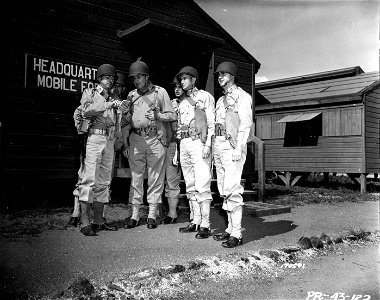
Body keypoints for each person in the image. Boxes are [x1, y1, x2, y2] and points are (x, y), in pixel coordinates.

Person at [67, 71, 128, 229]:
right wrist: (108, 104)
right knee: (89, 180)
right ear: (99, 79)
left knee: (104, 181)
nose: (110, 80)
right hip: (94, 138)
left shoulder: (114, 98)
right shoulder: (91, 93)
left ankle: (99, 221)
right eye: (107, 77)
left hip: (109, 140)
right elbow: (86, 110)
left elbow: (118, 122)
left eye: (112, 78)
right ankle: (85, 222)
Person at [121, 60, 177, 230]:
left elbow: (172, 115)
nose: (136, 80)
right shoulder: (131, 95)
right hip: (136, 139)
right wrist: (124, 139)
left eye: (139, 77)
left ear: (146, 77)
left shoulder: (160, 92)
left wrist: (158, 116)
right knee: (136, 178)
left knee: (155, 178)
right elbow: (126, 121)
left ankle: (152, 214)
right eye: (134, 78)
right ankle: (135, 215)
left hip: (155, 138)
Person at [212, 61, 253, 248]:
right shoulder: (220, 100)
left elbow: (245, 124)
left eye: (224, 74)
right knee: (223, 189)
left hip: (233, 146)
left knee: (232, 189)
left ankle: (237, 233)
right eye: (219, 74)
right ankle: (230, 228)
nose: (220, 77)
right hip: (219, 146)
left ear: (233, 76)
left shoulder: (242, 97)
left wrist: (239, 148)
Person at [176, 66, 215, 239]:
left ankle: (205, 224)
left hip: (198, 143)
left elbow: (211, 124)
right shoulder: (183, 102)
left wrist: (208, 145)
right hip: (184, 143)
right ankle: (195, 220)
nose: (182, 82)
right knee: (190, 184)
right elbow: (179, 128)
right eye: (181, 79)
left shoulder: (205, 97)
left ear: (193, 79)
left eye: (185, 78)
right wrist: (178, 151)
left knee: (202, 184)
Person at [160, 77, 185, 224]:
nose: (177, 89)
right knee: (172, 179)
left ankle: (197, 217)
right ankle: (172, 213)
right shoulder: (170, 104)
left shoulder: (192, 102)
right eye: (175, 86)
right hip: (173, 145)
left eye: (179, 86)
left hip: (189, 143)